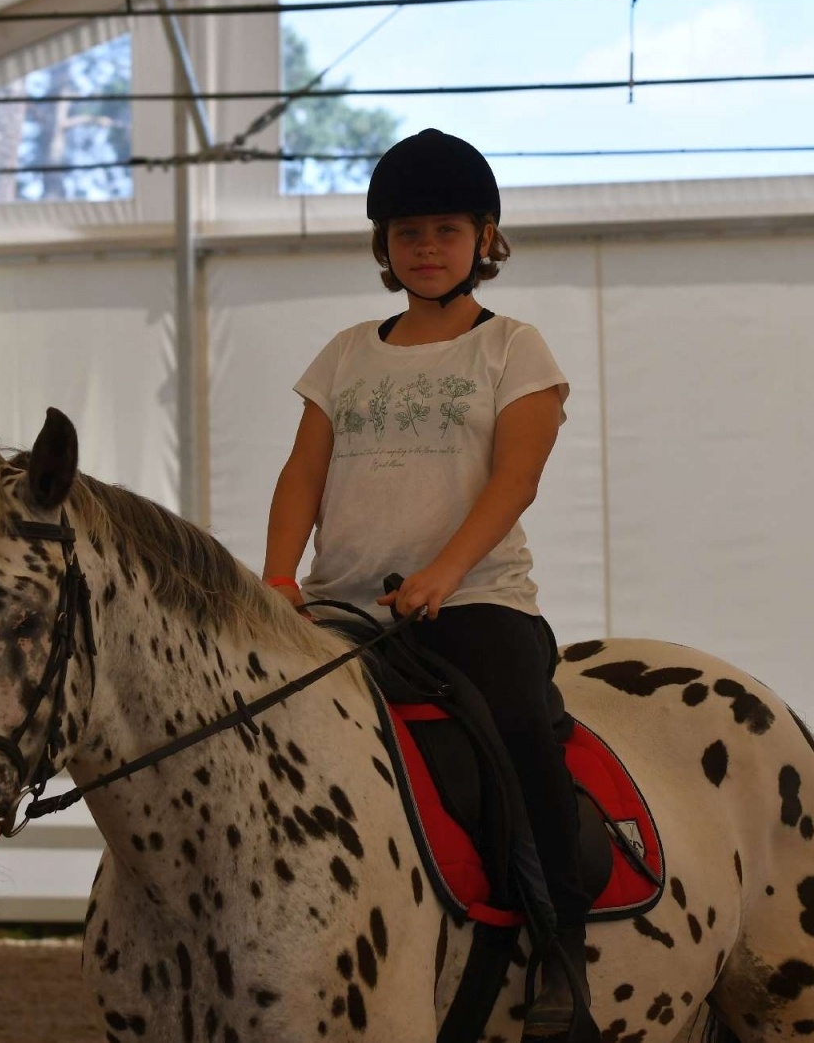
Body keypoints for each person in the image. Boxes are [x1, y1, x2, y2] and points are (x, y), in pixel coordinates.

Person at [262, 128, 589, 1036]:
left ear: (485, 238)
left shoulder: (514, 349)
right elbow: (302, 474)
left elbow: (515, 479)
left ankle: (561, 945)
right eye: (409, 232)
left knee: (519, 728)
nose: (428, 248)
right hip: (342, 607)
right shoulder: (344, 353)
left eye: (447, 230)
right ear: (385, 245)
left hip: (476, 602)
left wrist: (446, 573)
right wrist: (279, 578)